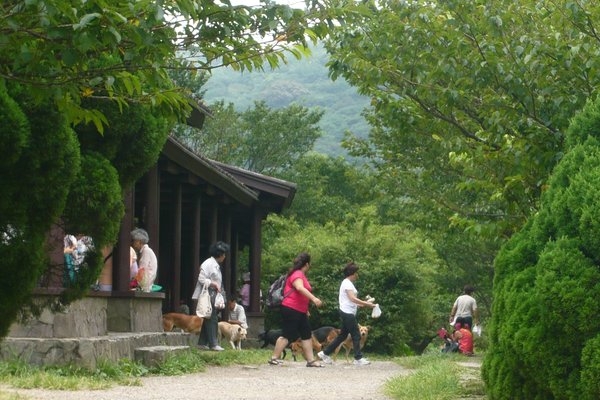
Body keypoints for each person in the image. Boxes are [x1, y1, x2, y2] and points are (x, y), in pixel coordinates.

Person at [269, 252, 324, 367]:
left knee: (306, 333)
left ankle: (310, 361)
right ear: (307, 264)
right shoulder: (297, 274)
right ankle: (274, 358)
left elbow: (300, 295)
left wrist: (306, 308)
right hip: (291, 308)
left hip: (300, 310)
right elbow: (299, 288)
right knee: (288, 334)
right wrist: (314, 299)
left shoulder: (298, 274)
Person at [317, 262, 376, 366]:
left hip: (347, 311)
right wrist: (366, 303)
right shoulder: (347, 283)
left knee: (342, 336)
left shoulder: (347, 283)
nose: (357, 275)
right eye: (356, 273)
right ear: (352, 273)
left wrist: (362, 304)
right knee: (356, 334)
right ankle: (358, 358)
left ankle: (324, 353)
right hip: (347, 312)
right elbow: (352, 298)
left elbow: (351, 301)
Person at [194, 241, 230, 351]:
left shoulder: (214, 264)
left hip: (213, 294)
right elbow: (201, 279)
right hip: (208, 294)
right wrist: (213, 284)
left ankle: (202, 343)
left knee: (208, 317)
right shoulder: (208, 264)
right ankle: (213, 343)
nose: (224, 256)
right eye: (223, 254)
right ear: (220, 254)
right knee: (212, 318)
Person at [130, 228, 158, 292]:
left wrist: (134, 283)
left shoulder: (146, 251)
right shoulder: (146, 250)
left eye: (134, 241)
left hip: (145, 286)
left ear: (139, 241)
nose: (133, 243)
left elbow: (142, 269)